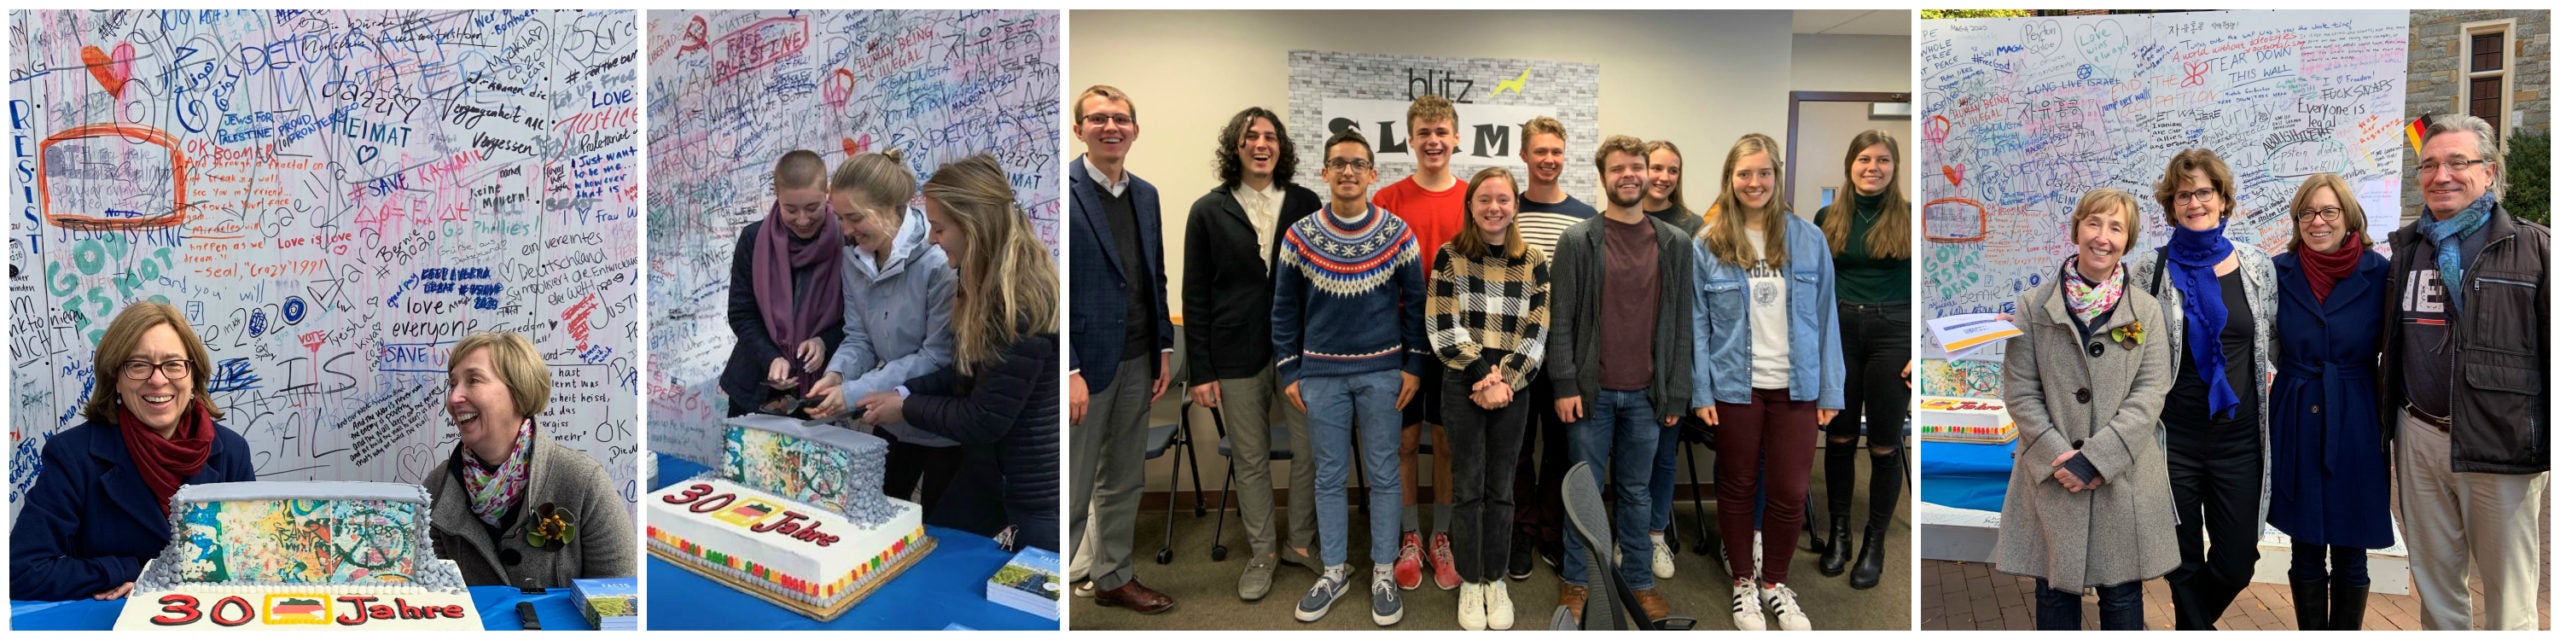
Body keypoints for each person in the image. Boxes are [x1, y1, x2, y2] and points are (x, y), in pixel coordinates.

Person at [2378, 114, 2549, 631]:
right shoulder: (2407, 249)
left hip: (2501, 444)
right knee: (2436, 590)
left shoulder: (2535, 250)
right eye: (2428, 165)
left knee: (2509, 597)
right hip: (2420, 437)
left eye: (2458, 162)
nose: (2441, 175)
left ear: (2490, 172)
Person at [851, 154, 1062, 553]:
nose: (932, 238)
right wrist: (905, 393)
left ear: (975, 226)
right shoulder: (976, 279)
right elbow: (965, 371)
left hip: (1027, 488)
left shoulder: (1016, 302)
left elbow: (985, 418)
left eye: (940, 227)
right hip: (987, 474)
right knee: (938, 549)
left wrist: (905, 408)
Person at [1990, 189, 2179, 630]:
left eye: (2116, 228)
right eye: (2094, 223)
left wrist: (2095, 459)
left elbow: (2151, 391)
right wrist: (2062, 456)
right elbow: (2020, 390)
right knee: (2054, 592)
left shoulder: (2146, 311)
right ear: (2076, 229)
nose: (2103, 237)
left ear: (2127, 240)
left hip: (2121, 476)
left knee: (2121, 597)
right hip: (2051, 472)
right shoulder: (2033, 307)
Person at [1687, 133, 1839, 631]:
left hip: (1797, 386)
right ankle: (1743, 586)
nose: (1754, 183)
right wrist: (1700, 390)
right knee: (1735, 485)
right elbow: (1696, 324)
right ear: (1730, 181)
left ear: (1776, 176)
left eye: (1763, 173)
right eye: (1744, 174)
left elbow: (1826, 317)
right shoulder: (1708, 243)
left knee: (1792, 491)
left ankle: (1774, 582)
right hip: (1734, 385)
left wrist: (1831, 389)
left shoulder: (1808, 238)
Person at [1276, 128, 1427, 626]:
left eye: (1357, 164)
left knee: (1385, 474)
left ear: (1371, 174)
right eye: (1338, 163)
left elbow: (1417, 307)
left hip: (1384, 374)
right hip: (1320, 377)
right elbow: (1283, 310)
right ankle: (1335, 569)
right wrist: (1289, 371)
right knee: (1328, 475)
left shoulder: (1397, 233)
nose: (1347, 171)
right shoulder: (1299, 235)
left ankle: (1383, 570)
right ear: (1323, 172)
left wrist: (1413, 365)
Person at [10, 302, 255, 601]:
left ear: (193, 376)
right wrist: (127, 569)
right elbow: (20, 570)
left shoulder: (231, 452)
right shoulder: (72, 456)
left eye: (173, 364)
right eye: (138, 365)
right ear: (116, 379)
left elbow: (249, 563)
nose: (157, 379)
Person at [2127, 147, 2277, 630]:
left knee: (2238, 561)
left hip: (2238, 440)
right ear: (2171, 205)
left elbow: (2275, 338)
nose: (2195, 202)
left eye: (2204, 192)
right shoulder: (2147, 271)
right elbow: (2111, 333)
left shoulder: (2256, 266)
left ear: (2223, 199)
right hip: (2173, 440)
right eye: (2183, 194)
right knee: (2182, 557)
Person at [1182, 106, 1324, 601]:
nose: (1261, 144)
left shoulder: (1307, 203)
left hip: (1300, 354)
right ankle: (1263, 550)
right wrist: (1201, 370)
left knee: (1310, 452)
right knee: (1250, 457)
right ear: (1235, 147)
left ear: (1281, 147)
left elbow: (1324, 283)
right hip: (1234, 354)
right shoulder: (1208, 209)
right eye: (1250, 137)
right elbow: (1194, 294)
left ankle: (1301, 544)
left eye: (1270, 137)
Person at [1550, 134, 1691, 624]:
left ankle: (1639, 581)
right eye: (1619, 168)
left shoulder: (1675, 244)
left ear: (1650, 173)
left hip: (1648, 396)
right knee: (1584, 493)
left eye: (1638, 166)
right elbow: (1561, 318)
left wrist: (1677, 391)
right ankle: (1578, 580)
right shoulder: (1578, 240)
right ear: (1604, 176)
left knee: (1636, 492)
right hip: (1592, 394)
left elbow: (1680, 326)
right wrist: (1565, 384)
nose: (1630, 175)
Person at [1063, 84, 1176, 613]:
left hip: (1138, 358)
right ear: (1078, 128)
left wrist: (1164, 348)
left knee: (1124, 479)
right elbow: (1047, 289)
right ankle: (1048, 587)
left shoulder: (1147, 194)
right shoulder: (1059, 191)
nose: (1111, 127)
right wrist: (1069, 368)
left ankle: (1113, 576)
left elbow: (1155, 274)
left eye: (1121, 119)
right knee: (1072, 486)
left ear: (1135, 128)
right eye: (1098, 118)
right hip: (1083, 369)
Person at [804, 150, 963, 524]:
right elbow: (859, 336)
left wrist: (853, 393)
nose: (845, 231)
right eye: (840, 218)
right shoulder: (854, 258)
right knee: (874, 523)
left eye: (855, 218)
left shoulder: (939, 262)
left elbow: (936, 356)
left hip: (944, 424)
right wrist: (838, 374)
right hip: (889, 420)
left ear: (892, 208)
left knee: (937, 530)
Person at [2265, 173, 2390, 630]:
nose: (2318, 221)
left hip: (2356, 412)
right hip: (2296, 411)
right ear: (2298, 220)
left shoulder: (2379, 272)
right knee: (2305, 545)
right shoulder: (2277, 272)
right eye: (2308, 213)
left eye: (2328, 211)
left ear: (2348, 216)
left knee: (2351, 546)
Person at [1428, 166, 1550, 631]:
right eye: (1484, 200)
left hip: (1513, 384)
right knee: (1468, 486)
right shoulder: (1450, 256)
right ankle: (1470, 578)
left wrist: (1508, 380)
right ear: (1471, 207)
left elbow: (1538, 329)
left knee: (1501, 489)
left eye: (1503, 199)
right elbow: (1443, 322)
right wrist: (1482, 372)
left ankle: (1494, 578)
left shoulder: (1533, 260)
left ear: (1515, 206)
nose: (1494, 208)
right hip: (1462, 377)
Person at [426, 331, 637, 588]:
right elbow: (432, 603)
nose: (453, 398)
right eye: (453, 384)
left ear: (518, 391)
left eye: (473, 380)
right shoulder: (436, 489)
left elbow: (620, 601)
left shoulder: (583, 483)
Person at [1371, 94, 1466, 592]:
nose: (1433, 141)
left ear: (1455, 138)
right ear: (1411, 141)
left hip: (1456, 342)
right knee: (1405, 442)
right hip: (1401, 341)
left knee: (1448, 443)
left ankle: (1442, 536)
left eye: (1441, 132)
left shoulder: (1474, 199)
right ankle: (1409, 534)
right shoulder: (1387, 200)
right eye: (1424, 134)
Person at [1810, 130, 1911, 589]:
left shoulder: (1908, 219)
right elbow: (1813, 286)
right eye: (1865, 159)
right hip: (1839, 331)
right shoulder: (1826, 217)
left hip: (1894, 334)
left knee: (1886, 444)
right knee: (1840, 436)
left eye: (1883, 160)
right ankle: (1840, 536)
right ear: (1850, 164)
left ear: (1894, 166)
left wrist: (1920, 353)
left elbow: (1929, 289)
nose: (1874, 167)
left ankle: (1874, 542)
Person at [1507, 115, 1598, 580]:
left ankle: (1553, 531)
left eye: (1556, 152)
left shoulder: (1585, 218)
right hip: (1514, 356)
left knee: (1562, 450)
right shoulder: (1505, 209)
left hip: (1563, 358)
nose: (1548, 159)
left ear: (1566, 156)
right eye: (1539, 151)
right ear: (1524, 155)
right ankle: (1521, 531)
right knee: (1518, 450)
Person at [721, 150, 845, 417]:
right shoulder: (753, 240)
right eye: (791, 209)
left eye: (812, 208)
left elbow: (858, 319)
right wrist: (771, 357)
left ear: (828, 193)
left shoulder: (846, 240)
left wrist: (824, 342)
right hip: (754, 385)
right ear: (776, 195)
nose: (802, 220)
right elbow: (741, 313)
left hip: (818, 394)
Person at [1640, 139, 1705, 234]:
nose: (1665, 178)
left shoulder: (1693, 224)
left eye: (1673, 171)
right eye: (1657, 168)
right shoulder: (1622, 217)